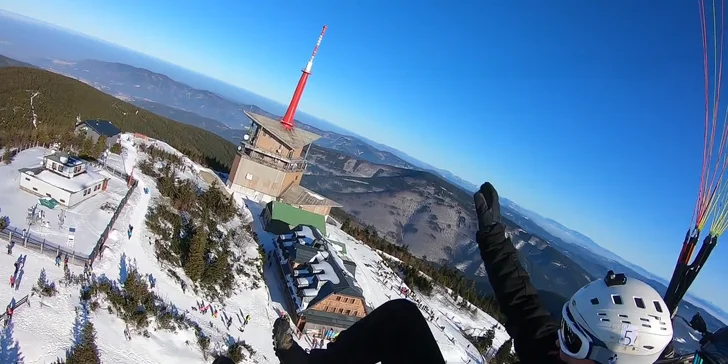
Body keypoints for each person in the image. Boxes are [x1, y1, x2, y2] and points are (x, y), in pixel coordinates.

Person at [268, 182, 674, 364]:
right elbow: (520, 300)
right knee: (400, 319)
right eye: (564, 324)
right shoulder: (556, 353)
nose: (558, 342)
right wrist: (493, 235)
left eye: (571, 338)